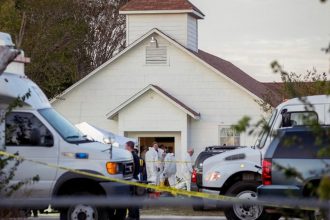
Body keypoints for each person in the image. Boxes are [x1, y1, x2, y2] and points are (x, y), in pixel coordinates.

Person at [125, 141, 140, 220]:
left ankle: (133, 216)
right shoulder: (136, 155)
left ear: (128, 146)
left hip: (131, 178)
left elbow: (132, 168)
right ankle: (134, 216)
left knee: (131, 198)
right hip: (135, 178)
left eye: (125, 146)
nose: (125, 148)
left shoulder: (131, 156)